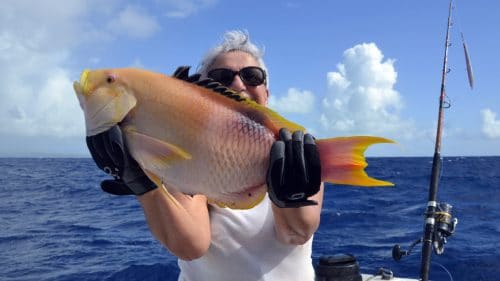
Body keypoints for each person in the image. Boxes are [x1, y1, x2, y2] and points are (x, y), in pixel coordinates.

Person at [86, 30, 324, 281]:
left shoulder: (300, 150)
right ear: (200, 94)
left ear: (266, 93)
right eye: (222, 77)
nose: (238, 84)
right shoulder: (184, 148)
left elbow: (297, 232)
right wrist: (141, 183)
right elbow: (189, 246)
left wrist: (290, 196)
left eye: (252, 76)